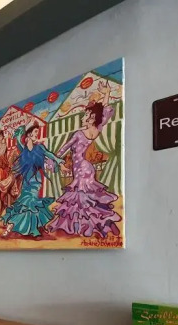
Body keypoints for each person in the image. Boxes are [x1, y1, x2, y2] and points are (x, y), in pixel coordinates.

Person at [46, 80, 121, 238]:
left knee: (79, 200)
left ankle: (80, 227)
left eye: (86, 115)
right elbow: (103, 113)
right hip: (87, 168)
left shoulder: (79, 134)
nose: (83, 117)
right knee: (89, 200)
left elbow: (64, 148)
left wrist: (54, 160)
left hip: (81, 168)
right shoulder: (97, 129)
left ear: (91, 118)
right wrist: (107, 93)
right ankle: (103, 223)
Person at [0, 123, 62, 237]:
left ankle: (15, 226)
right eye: (35, 132)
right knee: (25, 204)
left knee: (31, 203)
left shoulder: (39, 147)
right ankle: (18, 225)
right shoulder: (23, 148)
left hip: (36, 180)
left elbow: (50, 154)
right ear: (29, 134)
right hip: (26, 181)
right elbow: (18, 139)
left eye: (38, 132)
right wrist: (21, 130)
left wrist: (59, 161)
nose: (37, 134)